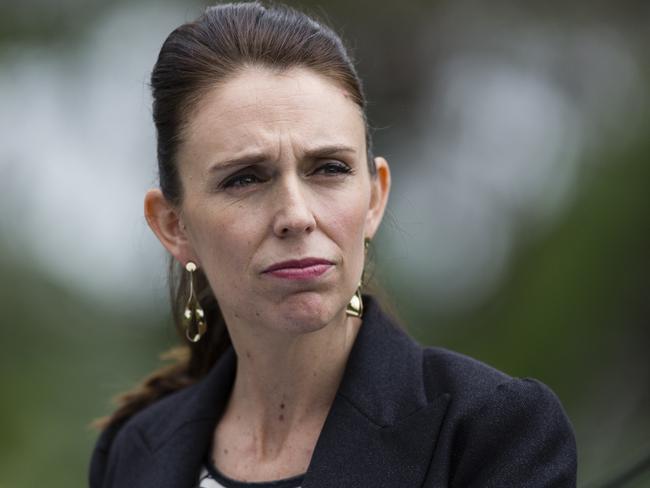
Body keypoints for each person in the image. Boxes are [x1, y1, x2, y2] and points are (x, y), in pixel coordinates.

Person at [89, 2, 577, 487]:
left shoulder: (490, 432)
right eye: (244, 179)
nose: (297, 216)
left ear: (374, 197)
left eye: (329, 169)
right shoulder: (132, 455)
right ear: (174, 226)